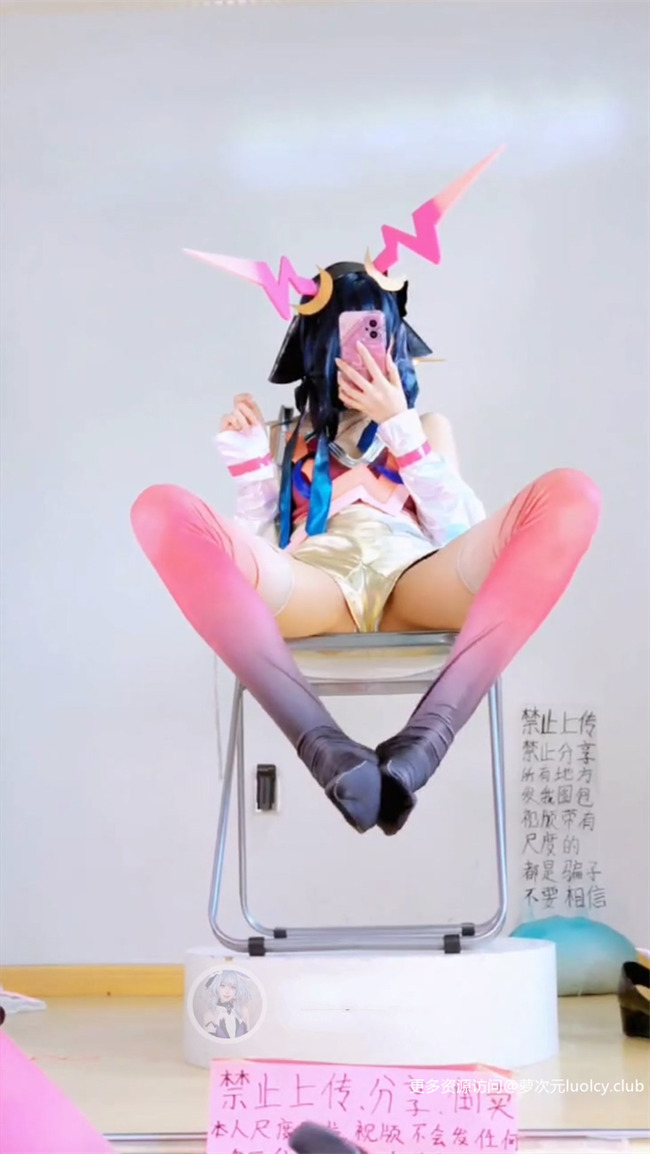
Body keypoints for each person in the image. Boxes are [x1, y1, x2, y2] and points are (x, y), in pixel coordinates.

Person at [131, 150, 600, 838]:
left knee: (572, 496)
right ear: (318, 349)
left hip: (415, 582)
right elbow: (251, 558)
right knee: (160, 509)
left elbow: (459, 532)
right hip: (314, 583)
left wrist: (400, 428)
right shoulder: (287, 437)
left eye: (375, 334)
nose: (363, 351)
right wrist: (250, 466)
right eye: (345, 340)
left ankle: (425, 740)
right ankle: (325, 745)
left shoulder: (425, 427)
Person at [202, 970, 250, 1040]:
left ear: (237, 989)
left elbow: (249, 1042)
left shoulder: (244, 1011)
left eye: (232, 987)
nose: (227, 991)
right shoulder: (209, 1015)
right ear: (216, 986)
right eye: (222, 985)